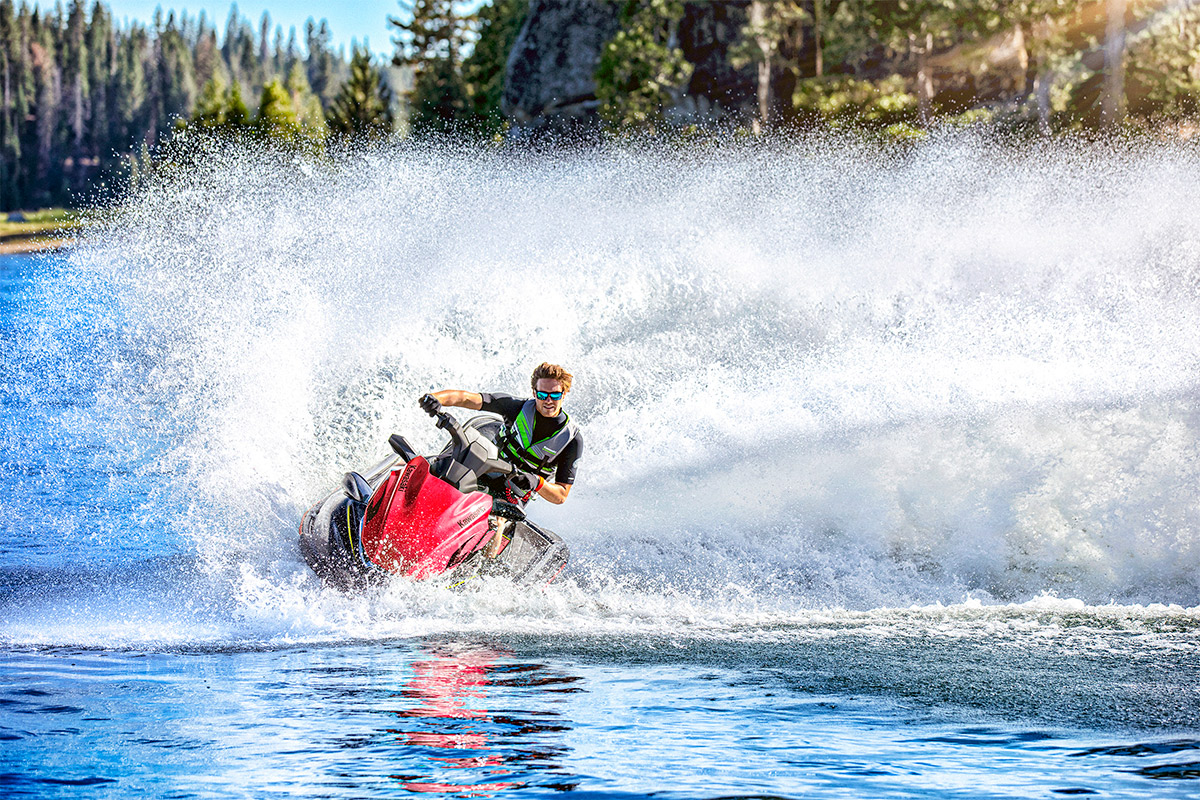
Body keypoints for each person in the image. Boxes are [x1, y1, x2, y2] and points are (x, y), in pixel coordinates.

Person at [418, 362, 582, 509]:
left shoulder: (572, 439)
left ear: (564, 393)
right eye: (542, 395)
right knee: (443, 468)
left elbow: (561, 496)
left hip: (513, 493)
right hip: (484, 467)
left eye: (554, 395)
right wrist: (436, 398)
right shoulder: (515, 407)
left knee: (498, 522)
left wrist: (537, 482)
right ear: (534, 392)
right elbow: (467, 398)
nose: (548, 401)